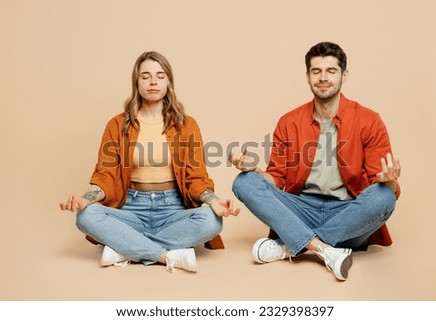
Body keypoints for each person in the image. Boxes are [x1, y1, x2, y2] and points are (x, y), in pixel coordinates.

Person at [230, 42, 401, 281]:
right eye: (316, 71)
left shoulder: (369, 121)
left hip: (348, 214)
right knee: (243, 182)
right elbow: (276, 179)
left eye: (331, 71)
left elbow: (382, 189)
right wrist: (254, 169)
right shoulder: (289, 122)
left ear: (344, 75)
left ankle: (292, 246)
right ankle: (325, 250)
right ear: (307, 76)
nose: (323, 77)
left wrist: (390, 182)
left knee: (384, 195)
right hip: (301, 210)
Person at [60, 51, 239, 272]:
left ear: (168, 82)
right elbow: (105, 176)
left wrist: (214, 201)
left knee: (212, 221)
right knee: (86, 216)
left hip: (172, 209)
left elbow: (196, 177)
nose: (153, 81)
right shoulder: (117, 125)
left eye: (160, 75)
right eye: (145, 76)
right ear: (137, 82)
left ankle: (125, 248)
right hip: (132, 209)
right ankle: (164, 256)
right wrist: (85, 200)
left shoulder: (186, 125)